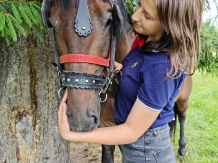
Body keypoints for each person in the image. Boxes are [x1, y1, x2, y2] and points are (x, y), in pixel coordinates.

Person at [58, 0, 204, 162]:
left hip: (147, 151)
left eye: (147, 16)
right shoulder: (146, 44)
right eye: (138, 4)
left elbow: (131, 131)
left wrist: (70, 134)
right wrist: (122, 70)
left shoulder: (162, 68)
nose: (134, 15)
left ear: (170, 24)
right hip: (137, 148)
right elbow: (141, 73)